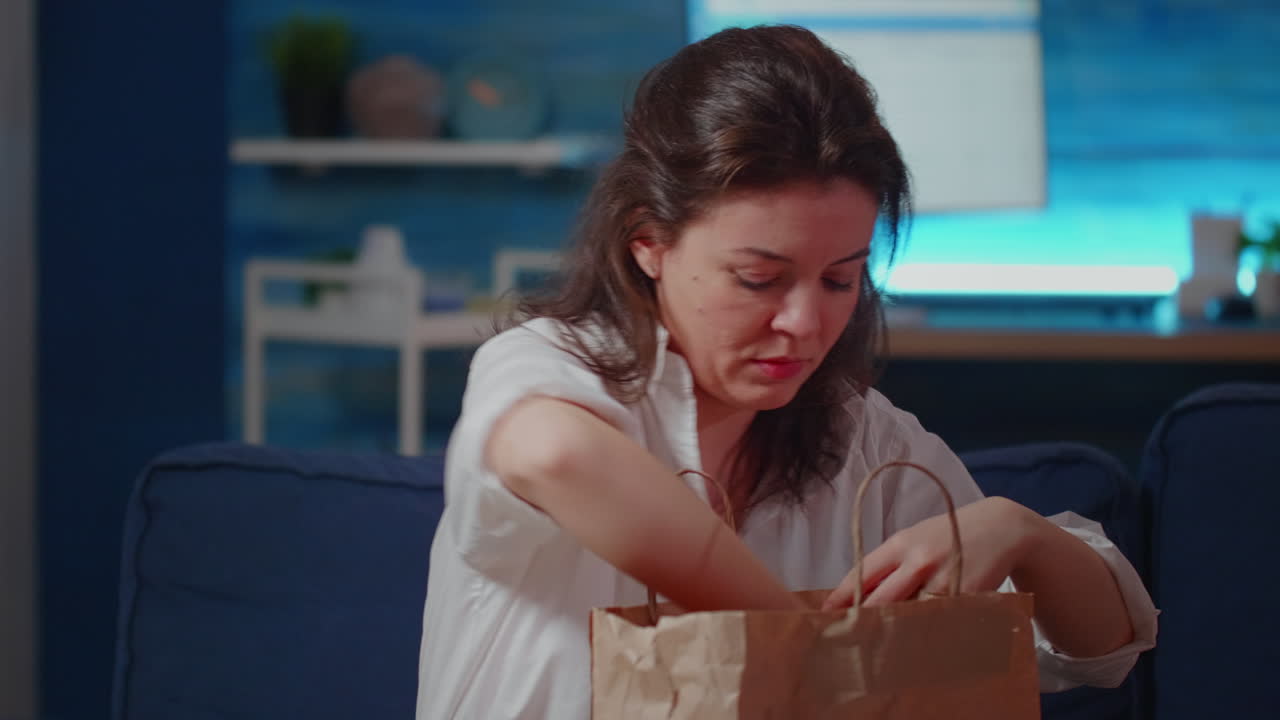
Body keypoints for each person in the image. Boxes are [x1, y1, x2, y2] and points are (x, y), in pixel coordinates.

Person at [415, 24, 1156, 719]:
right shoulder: (549, 362)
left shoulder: (862, 440)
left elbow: (1103, 651)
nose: (805, 324)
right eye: (759, 279)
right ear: (648, 243)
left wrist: (1019, 531)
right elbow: (556, 455)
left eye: (839, 279)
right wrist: (806, 651)